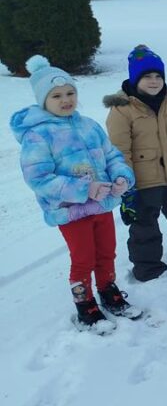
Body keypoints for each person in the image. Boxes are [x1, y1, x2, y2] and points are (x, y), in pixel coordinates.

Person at [10, 55, 138, 330]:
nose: (66, 100)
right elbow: (38, 178)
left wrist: (121, 177)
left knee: (107, 252)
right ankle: (85, 304)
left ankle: (108, 291)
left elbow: (112, 156)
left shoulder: (89, 125)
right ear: (43, 100)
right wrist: (84, 189)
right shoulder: (37, 135)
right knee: (83, 259)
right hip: (71, 211)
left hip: (102, 205)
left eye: (70, 93)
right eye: (56, 96)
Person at [105, 44, 167, 281]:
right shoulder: (122, 110)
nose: (154, 81)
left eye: (158, 76)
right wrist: (125, 185)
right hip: (142, 182)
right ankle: (148, 269)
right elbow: (119, 151)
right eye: (147, 76)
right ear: (135, 79)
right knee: (144, 226)